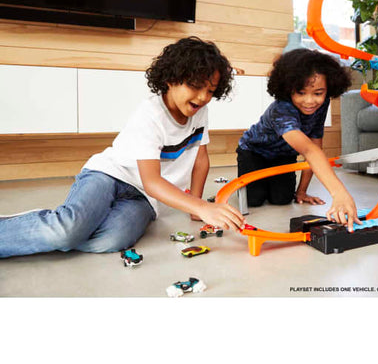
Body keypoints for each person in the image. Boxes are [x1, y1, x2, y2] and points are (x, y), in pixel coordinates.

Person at [0, 36, 244, 258]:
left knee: (110, 240)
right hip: (109, 175)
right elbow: (152, 181)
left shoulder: (200, 112)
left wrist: (196, 206)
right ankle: (51, 225)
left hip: (145, 198)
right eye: (195, 86)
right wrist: (202, 207)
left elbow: (200, 159)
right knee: (67, 231)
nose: (203, 97)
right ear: (171, 79)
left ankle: (59, 226)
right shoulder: (150, 114)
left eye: (210, 90)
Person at [236, 48, 362, 231]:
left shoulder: (322, 105)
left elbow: (315, 146)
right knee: (254, 199)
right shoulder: (281, 109)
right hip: (254, 152)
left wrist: (302, 191)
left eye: (318, 93)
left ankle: (273, 183)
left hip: (284, 155)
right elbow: (308, 150)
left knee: (282, 199)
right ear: (289, 89)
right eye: (301, 93)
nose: (310, 101)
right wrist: (339, 193)